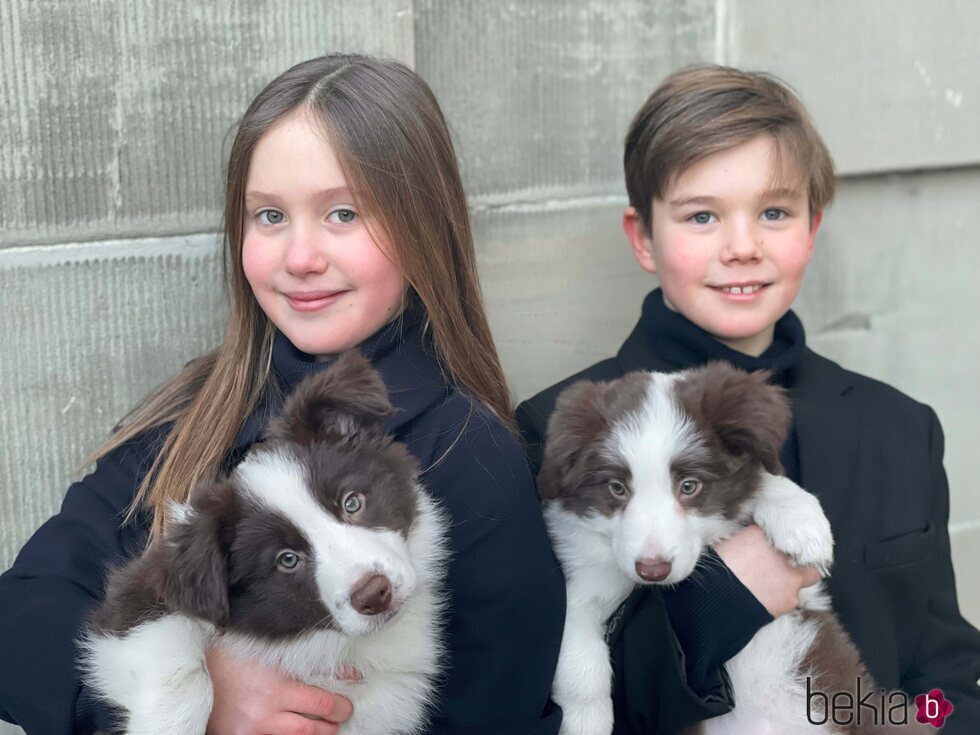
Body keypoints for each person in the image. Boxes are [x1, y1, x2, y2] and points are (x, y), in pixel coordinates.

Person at [0, 54, 565, 735]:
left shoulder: (467, 453)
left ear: (425, 226)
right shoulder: (197, 412)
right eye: (269, 215)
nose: (300, 256)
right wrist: (198, 695)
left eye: (344, 212)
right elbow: (22, 613)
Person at [517, 65, 980, 734]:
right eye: (701, 215)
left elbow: (943, 673)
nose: (742, 247)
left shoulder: (899, 428)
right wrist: (724, 600)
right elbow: (545, 691)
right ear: (643, 236)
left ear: (812, 226)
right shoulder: (554, 432)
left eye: (774, 212)